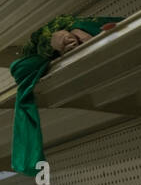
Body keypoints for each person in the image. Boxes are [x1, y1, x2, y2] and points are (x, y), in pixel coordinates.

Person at [10, 14, 122, 175]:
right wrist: (58, 41)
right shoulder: (44, 41)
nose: (77, 44)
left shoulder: (82, 25)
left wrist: (73, 34)